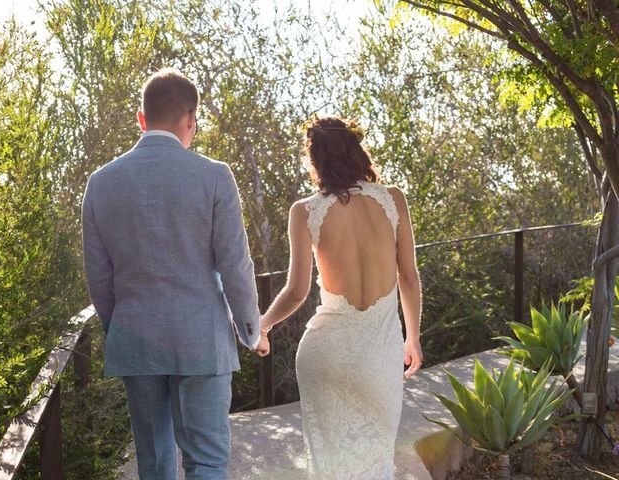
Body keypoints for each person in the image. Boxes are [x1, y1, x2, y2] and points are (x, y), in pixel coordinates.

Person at [81, 67, 268, 480]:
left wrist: (124, 325)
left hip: (136, 340)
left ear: (141, 119)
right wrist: (250, 329)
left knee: (155, 466)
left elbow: (99, 276)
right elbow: (234, 264)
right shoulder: (215, 176)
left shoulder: (101, 183)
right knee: (206, 463)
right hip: (202, 340)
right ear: (190, 120)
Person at [258, 116, 423, 479]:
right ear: (355, 150)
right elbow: (408, 276)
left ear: (316, 160)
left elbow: (296, 291)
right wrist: (413, 338)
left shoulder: (305, 211)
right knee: (376, 461)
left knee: (331, 467)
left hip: (325, 353)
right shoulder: (393, 199)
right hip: (378, 355)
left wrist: (263, 325)